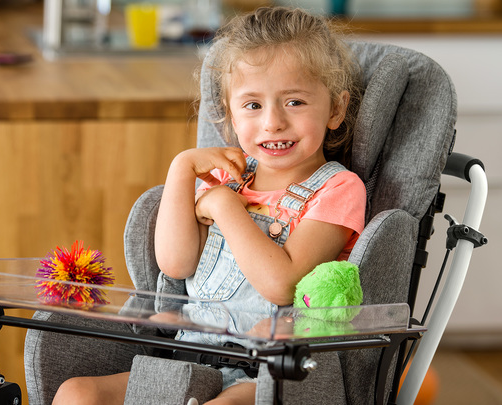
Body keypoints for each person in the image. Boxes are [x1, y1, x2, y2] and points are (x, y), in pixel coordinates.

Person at [52, 6, 366, 405]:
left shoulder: (338, 188)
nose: (272, 122)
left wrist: (224, 206)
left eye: (294, 102)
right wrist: (183, 168)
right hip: (189, 355)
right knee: (77, 393)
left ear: (336, 109)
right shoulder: (227, 176)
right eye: (253, 105)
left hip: (266, 374)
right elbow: (175, 264)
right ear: (230, 115)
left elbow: (281, 284)